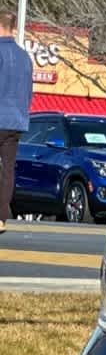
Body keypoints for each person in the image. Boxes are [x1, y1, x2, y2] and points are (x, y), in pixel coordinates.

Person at [0, 27, 35, 234]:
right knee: (7, 170)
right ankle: (1, 218)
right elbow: (28, 91)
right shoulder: (24, 57)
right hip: (15, 121)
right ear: (13, 29)